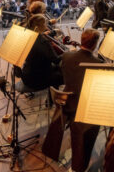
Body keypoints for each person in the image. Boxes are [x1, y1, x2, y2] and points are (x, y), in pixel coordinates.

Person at [43, 29, 103, 172]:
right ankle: (83, 160)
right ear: (94, 44)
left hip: (65, 101)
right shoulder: (97, 63)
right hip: (83, 107)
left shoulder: (67, 56)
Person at [18, 14, 63, 91]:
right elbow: (56, 60)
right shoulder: (43, 42)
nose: (46, 27)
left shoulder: (28, 36)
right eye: (44, 24)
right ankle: (53, 98)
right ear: (38, 27)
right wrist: (68, 54)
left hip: (26, 75)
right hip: (37, 80)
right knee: (62, 74)